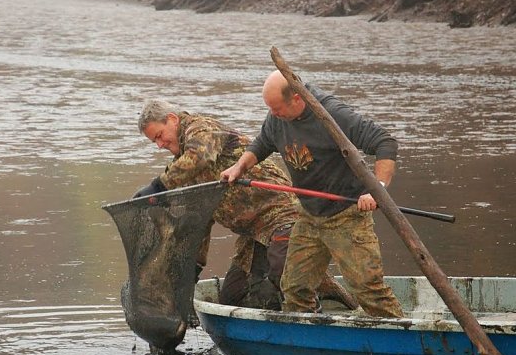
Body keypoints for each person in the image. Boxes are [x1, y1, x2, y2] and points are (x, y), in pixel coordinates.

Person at [134, 99, 356, 310]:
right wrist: (193, 267)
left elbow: (200, 156)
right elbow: (198, 219)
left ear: (172, 119)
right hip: (254, 235)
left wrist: (159, 186)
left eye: (159, 136)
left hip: (282, 216)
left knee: (285, 274)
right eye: (155, 141)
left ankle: (316, 309)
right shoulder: (185, 169)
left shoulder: (201, 129)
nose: (160, 145)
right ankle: (312, 295)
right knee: (233, 297)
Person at [221, 71, 404, 319]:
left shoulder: (332, 115)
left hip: (346, 215)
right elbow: (262, 143)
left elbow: (385, 142)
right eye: (270, 109)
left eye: (277, 109)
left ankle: (398, 337)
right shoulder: (277, 117)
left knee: (368, 290)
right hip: (309, 216)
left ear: (297, 98)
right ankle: (310, 335)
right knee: (295, 287)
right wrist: (238, 167)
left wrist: (377, 189)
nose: (274, 115)